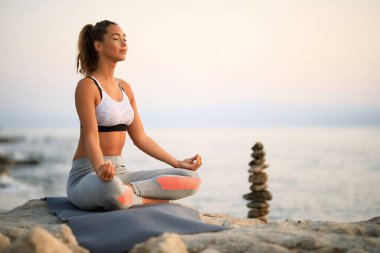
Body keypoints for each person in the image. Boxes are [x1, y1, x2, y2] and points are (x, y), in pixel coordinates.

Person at [66, 20, 202, 211]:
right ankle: (145, 200)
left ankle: (129, 192)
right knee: (113, 189)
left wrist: (178, 162)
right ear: (98, 46)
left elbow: (141, 138)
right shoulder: (88, 86)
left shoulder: (126, 88)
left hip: (121, 172)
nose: (124, 43)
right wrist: (100, 168)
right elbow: (90, 136)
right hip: (88, 173)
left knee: (192, 179)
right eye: (116, 38)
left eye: (125, 39)